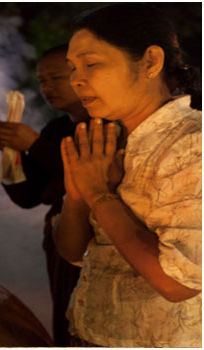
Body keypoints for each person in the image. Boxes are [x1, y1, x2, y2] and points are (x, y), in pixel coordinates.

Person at [54, 3, 201, 347]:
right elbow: (73, 252)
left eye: (92, 64)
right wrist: (77, 194)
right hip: (92, 334)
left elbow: (178, 283)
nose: (77, 78)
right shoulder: (105, 140)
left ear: (151, 61)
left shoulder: (192, 144)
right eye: (73, 67)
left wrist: (100, 196)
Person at [0, 44, 89, 346]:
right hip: (60, 241)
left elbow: (89, 179)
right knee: (67, 314)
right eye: (41, 81)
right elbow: (28, 197)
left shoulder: (108, 126)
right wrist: (9, 152)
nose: (47, 88)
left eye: (55, 78)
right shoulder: (55, 129)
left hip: (95, 241)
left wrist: (33, 144)